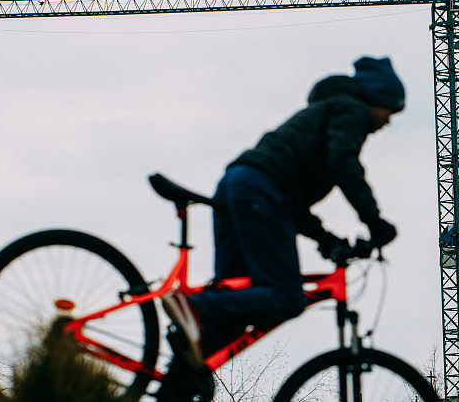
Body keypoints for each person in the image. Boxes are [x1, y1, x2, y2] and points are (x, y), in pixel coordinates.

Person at [157, 56, 405, 401]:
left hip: (237, 186)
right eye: (390, 112)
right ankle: (198, 305)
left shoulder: (323, 114)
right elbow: (344, 164)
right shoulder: (352, 110)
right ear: (377, 99)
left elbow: (293, 201)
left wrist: (326, 239)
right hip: (260, 191)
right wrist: (375, 222)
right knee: (286, 297)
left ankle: (176, 387)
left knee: (237, 303)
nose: (387, 122)